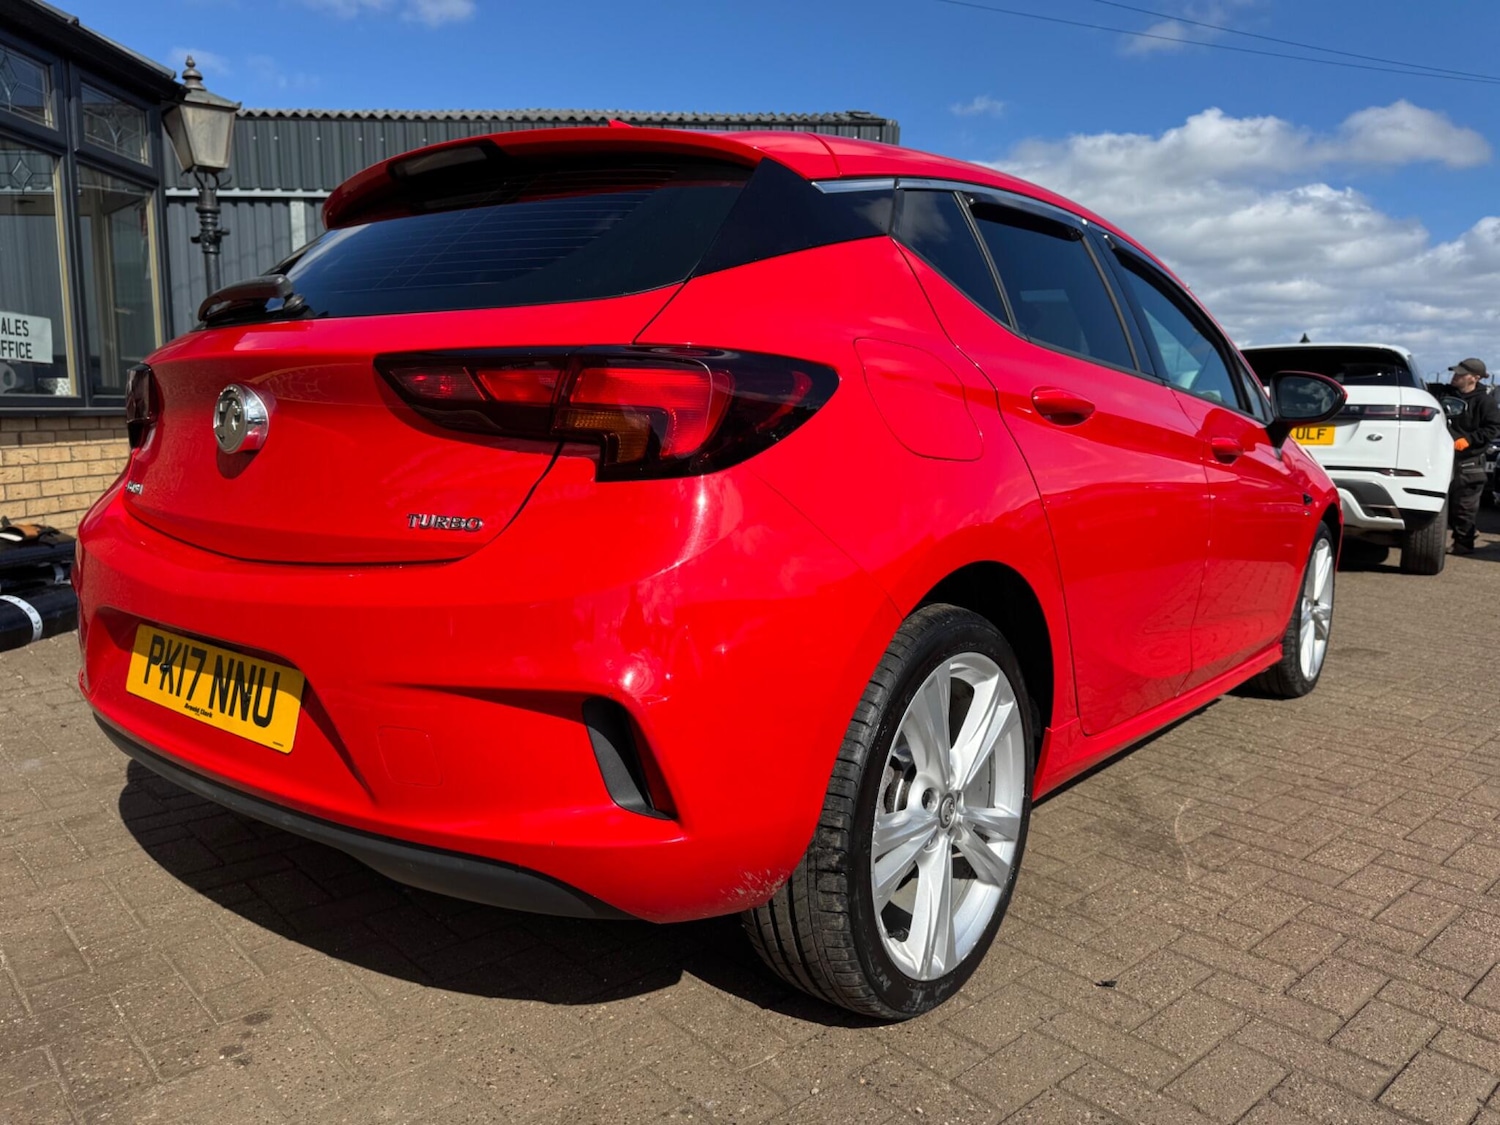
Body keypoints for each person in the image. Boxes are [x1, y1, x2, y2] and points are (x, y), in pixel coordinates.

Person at [1441, 358, 1500, 554]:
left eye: (1460, 374)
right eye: (1455, 373)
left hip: (1469, 462)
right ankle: (1464, 534)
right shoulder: (1446, 396)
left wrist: (1469, 440)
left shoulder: (1485, 402)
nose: (1455, 377)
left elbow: (1493, 428)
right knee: (1444, 505)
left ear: (1474, 378)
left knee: (1463, 507)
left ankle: (1463, 545)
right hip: (1444, 459)